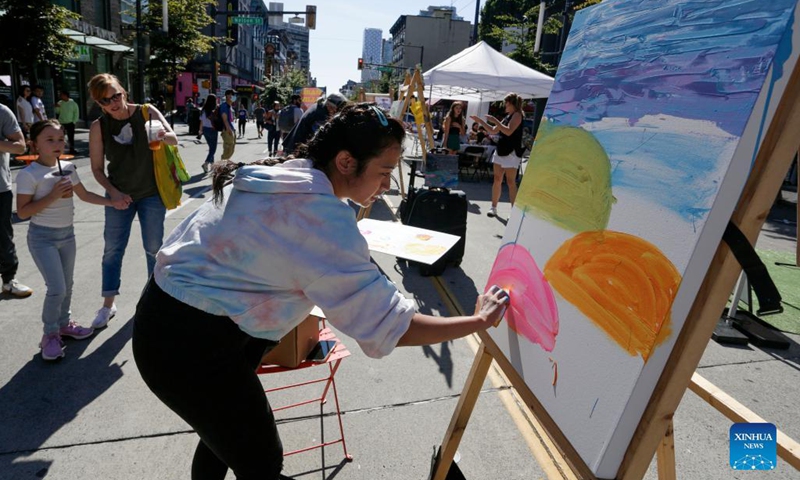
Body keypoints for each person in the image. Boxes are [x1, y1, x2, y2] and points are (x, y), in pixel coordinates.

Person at [132, 104, 510, 480]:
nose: (388, 186)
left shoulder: (284, 172)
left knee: (222, 439)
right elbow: (393, 325)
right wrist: (478, 321)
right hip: (189, 347)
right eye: (382, 173)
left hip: (175, 322)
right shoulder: (318, 218)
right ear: (346, 161)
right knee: (261, 462)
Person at [15, 120, 113, 360]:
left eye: (60, 139)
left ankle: (64, 324)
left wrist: (113, 201)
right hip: (42, 237)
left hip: (67, 235)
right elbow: (23, 212)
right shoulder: (29, 175)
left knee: (67, 285)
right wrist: (53, 195)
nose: (57, 144)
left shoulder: (67, 168)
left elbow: (85, 195)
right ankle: (49, 335)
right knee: (56, 288)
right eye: (49, 140)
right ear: (34, 144)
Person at [88, 73, 178, 328]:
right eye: (106, 100)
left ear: (124, 92)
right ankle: (108, 305)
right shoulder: (99, 126)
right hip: (119, 195)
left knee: (153, 248)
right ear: (99, 104)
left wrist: (159, 134)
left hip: (151, 193)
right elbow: (96, 169)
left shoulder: (146, 112)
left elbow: (174, 139)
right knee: (112, 250)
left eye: (116, 95)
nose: (113, 103)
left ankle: (153, 303)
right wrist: (113, 193)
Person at [471, 93, 524, 218]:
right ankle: (493, 207)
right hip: (501, 150)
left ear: (512, 104)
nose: (505, 105)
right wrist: (481, 122)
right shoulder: (508, 116)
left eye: (506, 103)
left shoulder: (517, 115)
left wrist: (495, 120)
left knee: (510, 182)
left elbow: (508, 131)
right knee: (497, 179)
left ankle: (514, 211)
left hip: (511, 152)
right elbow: (493, 130)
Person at [0, 103, 32, 298]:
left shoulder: (2, 111)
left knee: (3, 237)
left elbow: (20, 146)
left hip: (0, 188)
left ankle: (9, 280)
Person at [282, 92, 348, 156]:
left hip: (295, 146)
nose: (337, 112)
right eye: (337, 109)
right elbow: (319, 138)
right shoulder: (321, 115)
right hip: (297, 149)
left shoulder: (319, 106)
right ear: (329, 106)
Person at [55, 91, 80, 155]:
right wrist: (57, 107)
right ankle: (61, 149)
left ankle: (72, 149)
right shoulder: (60, 103)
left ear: (66, 95)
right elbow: (57, 112)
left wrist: (74, 121)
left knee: (71, 137)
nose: (60, 96)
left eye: (62, 95)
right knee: (60, 137)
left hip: (70, 122)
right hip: (61, 122)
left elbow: (76, 113)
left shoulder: (73, 103)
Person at [200, 94, 219, 174]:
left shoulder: (203, 110)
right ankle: (206, 163)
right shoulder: (214, 110)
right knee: (213, 149)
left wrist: (200, 131)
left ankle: (213, 165)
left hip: (205, 130)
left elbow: (201, 121)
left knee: (211, 147)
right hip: (212, 130)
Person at [219, 90, 236, 161]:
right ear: (227, 96)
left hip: (231, 129)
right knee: (228, 149)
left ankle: (224, 164)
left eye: (233, 95)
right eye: (230, 95)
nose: (233, 97)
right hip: (227, 130)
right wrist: (228, 129)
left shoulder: (230, 106)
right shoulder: (224, 106)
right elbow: (224, 118)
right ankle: (221, 165)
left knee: (231, 149)